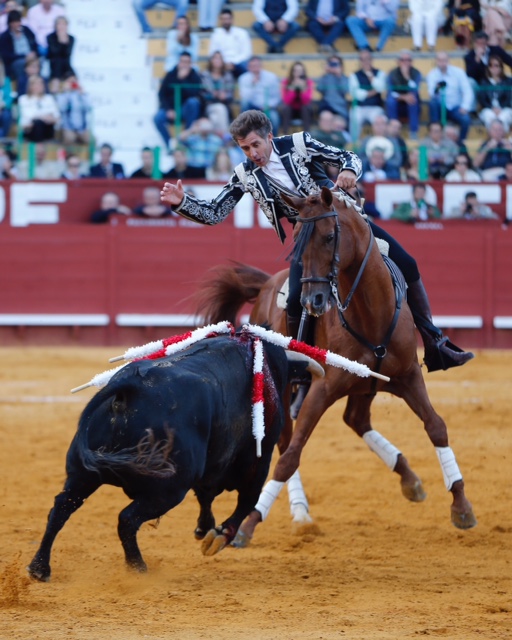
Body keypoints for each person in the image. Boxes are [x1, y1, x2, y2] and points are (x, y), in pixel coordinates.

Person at [160, 109, 474, 397]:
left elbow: (346, 155)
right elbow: (216, 212)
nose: (252, 154)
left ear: (269, 136)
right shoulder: (246, 175)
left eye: (255, 145)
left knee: (407, 263)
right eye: (245, 148)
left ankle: (434, 340)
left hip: (346, 224)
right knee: (296, 296)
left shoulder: (298, 143)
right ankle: (301, 364)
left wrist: (349, 171)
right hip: (310, 240)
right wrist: (180, 202)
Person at [154, 51, 203, 151]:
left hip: (185, 110)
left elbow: (195, 94)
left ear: (190, 63)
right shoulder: (170, 75)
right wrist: (168, 109)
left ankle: (185, 138)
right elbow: (162, 94)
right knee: (157, 118)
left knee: (193, 103)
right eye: (182, 61)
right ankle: (169, 144)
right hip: (170, 109)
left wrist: (182, 79)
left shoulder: (194, 76)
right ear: (178, 62)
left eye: (187, 62)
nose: (184, 64)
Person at [426, 52, 474, 142]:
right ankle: (435, 138)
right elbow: (431, 94)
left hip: (456, 107)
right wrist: (437, 89)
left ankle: (461, 142)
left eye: (444, 60)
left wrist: (465, 107)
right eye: (439, 60)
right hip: (441, 107)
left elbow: (467, 91)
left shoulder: (458, 72)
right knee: (433, 103)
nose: (442, 63)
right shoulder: (432, 75)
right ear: (436, 61)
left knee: (465, 119)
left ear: (448, 61)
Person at [348, 49, 387, 140]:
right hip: (359, 107)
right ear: (360, 61)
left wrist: (370, 76)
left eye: (367, 59)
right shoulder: (354, 75)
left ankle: (380, 141)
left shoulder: (380, 73)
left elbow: (381, 88)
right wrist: (373, 91)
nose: (365, 62)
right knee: (355, 118)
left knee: (379, 121)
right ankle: (353, 143)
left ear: (371, 59)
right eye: (363, 59)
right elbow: (356, 94)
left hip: (375, 107)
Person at [238, 56, 281, 134]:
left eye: (257, 65)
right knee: (244, 104)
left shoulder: (271, 77)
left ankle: (274, 140)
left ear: (261, 66)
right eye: (253, 66)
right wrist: (253, 85)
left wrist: (268, 105)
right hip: (251, 107)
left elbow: (276, 96)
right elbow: (245, 97)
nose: (255, 68)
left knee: (274, 117)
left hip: (268, 107)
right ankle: (245, 134)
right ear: (248, 67)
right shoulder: (243, 78)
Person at [385, 50, 422, 139]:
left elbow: (414, 90)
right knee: (390, 101)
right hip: (397, 103)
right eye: (403, 60)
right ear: (398, 61)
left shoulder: (416, 73)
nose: (405, 62)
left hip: (411, 104)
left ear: (411, 62)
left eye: (408, 60)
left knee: (412, 101)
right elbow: (391, 92)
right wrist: (403, 97)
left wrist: (407, 77)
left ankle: (413, 132)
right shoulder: (392, 74)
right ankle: (393, 131)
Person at [207, 8, 252, 79]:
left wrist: (232, 63)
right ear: (220, 20)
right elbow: (213, 52)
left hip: (238, 63)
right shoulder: (216, 34)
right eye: (223, 19)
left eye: (227, 19)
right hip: (222, 63)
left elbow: (247, 53)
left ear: (232, 19)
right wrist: (224, 63)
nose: (226, 21)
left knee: (246, 67)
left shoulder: (242, 33)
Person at [200, 51, 236, 137]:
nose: (217, 60)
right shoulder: (204, 75)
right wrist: (215, 95)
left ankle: (218, 141)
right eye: (215, 58)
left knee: (215, 119)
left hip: (224, 105)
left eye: (219, 58)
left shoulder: (228, 75)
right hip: (209, 105)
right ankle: (226, 137)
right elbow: (201, 94)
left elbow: (230, 95)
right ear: (211, 60)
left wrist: (224, 96)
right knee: (220, 109)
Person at [0, 9, 38, 85]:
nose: (16, 24)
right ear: (10, 23)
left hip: (32, 57)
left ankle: (37, 84)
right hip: (16, 60)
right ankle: (23, 85)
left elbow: (34, 44)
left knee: (40, 61)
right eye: (14, 22)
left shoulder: (27, 31)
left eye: (18, 21)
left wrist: (34, 53)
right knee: (21, 64)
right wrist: (24, 56)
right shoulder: (5, 37)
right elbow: (6, 55)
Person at [18, 74, 59, 142]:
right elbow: (28, 116)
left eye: (41, 83)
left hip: (47, 127)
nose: (40, 86)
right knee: (37, 123)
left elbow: (56, 116)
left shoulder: (49, 98)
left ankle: (41, 145)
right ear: (30, 86)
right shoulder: (23, 99)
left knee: (42, 123)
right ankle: (39, 146)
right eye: (37, 84)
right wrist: (44, 116)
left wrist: (49, 118)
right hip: (30, 128)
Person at [476, 55, 512, 131]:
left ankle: (501, 139)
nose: (494, 68)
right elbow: (482, 99)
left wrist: (500, 108)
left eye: (496, 66)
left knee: (504, 117)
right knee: (488, 116)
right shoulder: (484, 82)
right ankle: (493, 139)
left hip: (504, 108)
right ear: (488, 68)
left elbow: (508, 97)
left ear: (501, 67)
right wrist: (491, 108)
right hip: (489, 109)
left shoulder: (508, 81)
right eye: (491, 66)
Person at [278, 61, 314, 134]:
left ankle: (307, 135)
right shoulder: (285, 82)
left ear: (303, 72)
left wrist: (303, 90)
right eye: (295, 70)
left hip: (303, 110)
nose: (298, 73)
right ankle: (285, 133)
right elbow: (286, 101)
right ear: (292, 72)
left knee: (306, 107)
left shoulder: (308, 82)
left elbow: (307, 101)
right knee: (286, 108)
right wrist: (293, 89)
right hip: (290, 110)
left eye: (300, 71)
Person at [55, 73, 90, 145]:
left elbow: (89, 107)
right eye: (70, 81)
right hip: (67, 127)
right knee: (70, 138)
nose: (72, 83)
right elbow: (62, 108)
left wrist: (82, 94)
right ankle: (69, 156)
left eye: (74, 81)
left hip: (81, 128)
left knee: (91, 140)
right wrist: (67, 92)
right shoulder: (61, 95)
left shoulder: (80, 94)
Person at [315, 54, 350, 122]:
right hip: (327, 106)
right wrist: (325, 72)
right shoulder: (326, 77)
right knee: (326, 117)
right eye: (332, 64)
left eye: (336, 64)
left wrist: (339, 76)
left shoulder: (344, 78)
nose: (334, 66)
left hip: (340, 107)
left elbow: (345, 91)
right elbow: (319, 88)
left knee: (338, 123)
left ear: (341, 66)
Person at [46, 15, 74, 80]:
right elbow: (54, 52)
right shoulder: (50, 37)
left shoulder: (71, 38)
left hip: (66, 65)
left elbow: (67, 53)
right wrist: (60, 40)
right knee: (57, 64)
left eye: (64, 24)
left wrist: (65, 41)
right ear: (55, 26)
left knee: (73, 79)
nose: (61, 26)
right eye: (59, 24)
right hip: (54, 66)